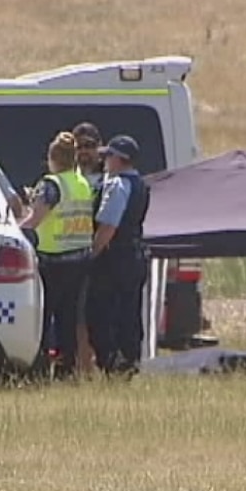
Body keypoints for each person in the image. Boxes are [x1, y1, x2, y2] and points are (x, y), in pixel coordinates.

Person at [18, 131, 94, 379]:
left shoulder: (51, 185)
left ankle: (38, 370)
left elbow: (35, 219)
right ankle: (67, 370)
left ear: (52, 159)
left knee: (43, 315)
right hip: (79, 260)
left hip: (53, 261)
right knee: (68, 318)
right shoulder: (82, 183)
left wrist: (13, 229)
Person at [87, 135, 151, 375]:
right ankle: (130, 360)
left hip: (114, 260)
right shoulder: (141, 184)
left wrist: (92, 254)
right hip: (135, 256)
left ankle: (113, 363)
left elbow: (108, 227)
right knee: (129, 313)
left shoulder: (117, 185)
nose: (105, 161)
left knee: (103, 313)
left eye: (108, 156)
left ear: (119, 159)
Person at [71, 121, 106, 373]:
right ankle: (83, 368)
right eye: (79, 147)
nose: (84, 152)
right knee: (79, 317)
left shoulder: (108, 180)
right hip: (74, 256)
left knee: (100, 315)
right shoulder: (67, 178)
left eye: (90, 146)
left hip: (103, 257)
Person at [72, 122, 105, 190]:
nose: (83, 151)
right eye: (79, 147)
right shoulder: (66, 181)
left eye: (88, 146)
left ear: (99, 146)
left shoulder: (113, 180)